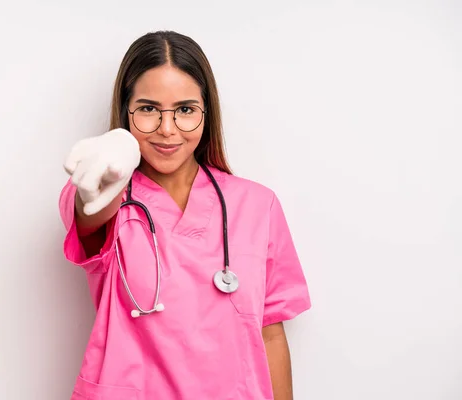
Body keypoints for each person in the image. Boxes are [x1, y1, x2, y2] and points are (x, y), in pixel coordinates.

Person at [59, 30, 311, 400]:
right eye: (147, 109)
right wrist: (97, 186)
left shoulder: (258, 205)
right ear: (126, 111)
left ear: (206, 113)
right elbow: (89, 215)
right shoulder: (106, 196)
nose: (167, 129)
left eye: (185, 110)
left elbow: (270, 332)